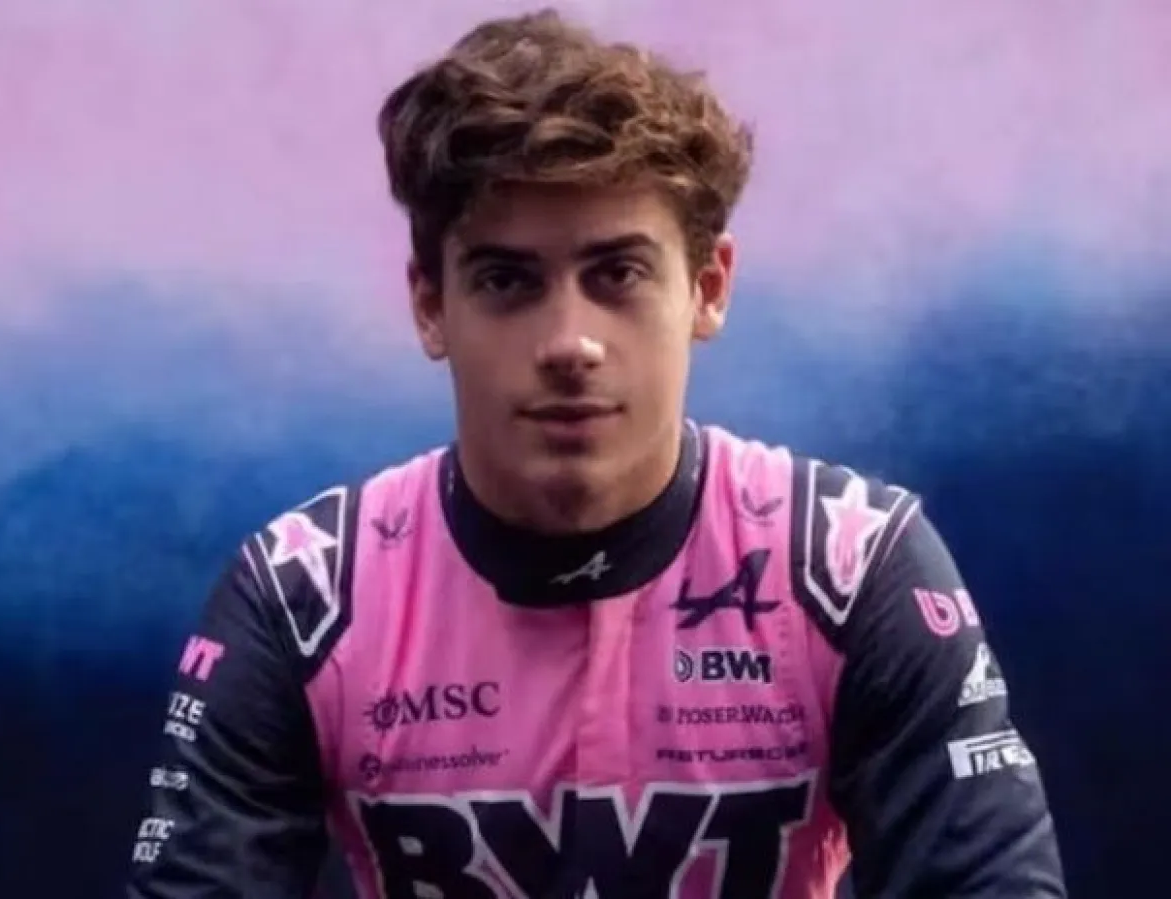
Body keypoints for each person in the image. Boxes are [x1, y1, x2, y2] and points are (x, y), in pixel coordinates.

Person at [125, 9, 1066, 898]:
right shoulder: (303, 597)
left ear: (707, 287)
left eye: (617, 273)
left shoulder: (851, 570)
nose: (569, 343)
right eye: (507, 280)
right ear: (429, 304)